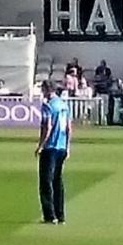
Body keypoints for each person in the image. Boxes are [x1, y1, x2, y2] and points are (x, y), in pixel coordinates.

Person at [37, 79, 72, 225]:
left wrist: (40, 145)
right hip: (62, 147)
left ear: (47, 89)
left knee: (46, 182)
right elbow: (69, 127)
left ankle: (50, 216)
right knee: (58, 181)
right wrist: (68, 147)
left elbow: (47, 127)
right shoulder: (63, 105)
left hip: (51, 147)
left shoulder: (48, 105)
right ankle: (61, 214)